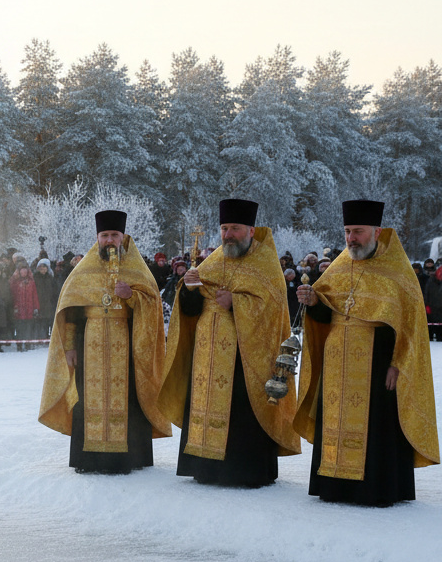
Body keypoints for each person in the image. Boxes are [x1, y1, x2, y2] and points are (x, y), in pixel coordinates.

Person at [294, 199, 439, 506]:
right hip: (336, 367)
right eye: (347, 231)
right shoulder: (339, 266)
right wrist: (313, 302)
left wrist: (397, 364)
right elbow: (325, 314)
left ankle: (375, 490)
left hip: (376, 368)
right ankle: (333, 486)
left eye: (357, 231)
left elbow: (411, 327)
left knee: (375, 431)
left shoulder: (398, 272)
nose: (351, 239)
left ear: (377, 231)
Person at [158, 199, 300, 487]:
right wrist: (189, 290)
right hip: (206, 357)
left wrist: (236, 302)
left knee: (240, 411)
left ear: (250, 230)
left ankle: (243, 471)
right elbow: (191, 308)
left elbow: (273, 311)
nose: (228, 234)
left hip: (244, 361)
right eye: (224, 228)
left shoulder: (265, 263)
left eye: (235, 228)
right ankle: (205, 468)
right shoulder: (214, 261)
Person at [39, 210, 171, 473]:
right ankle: (88, 459)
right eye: (104, 235)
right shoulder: (83, 269)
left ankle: (130, 457)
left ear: (123, 237)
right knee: (87, 399)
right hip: (89, 347)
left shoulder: (136, 268)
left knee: (130, 397)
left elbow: (152, 305)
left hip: (129, 347)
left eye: (114, 235)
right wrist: (70, 347)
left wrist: (131, 295)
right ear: (97, 238)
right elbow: (70, 311)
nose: (109, 240)